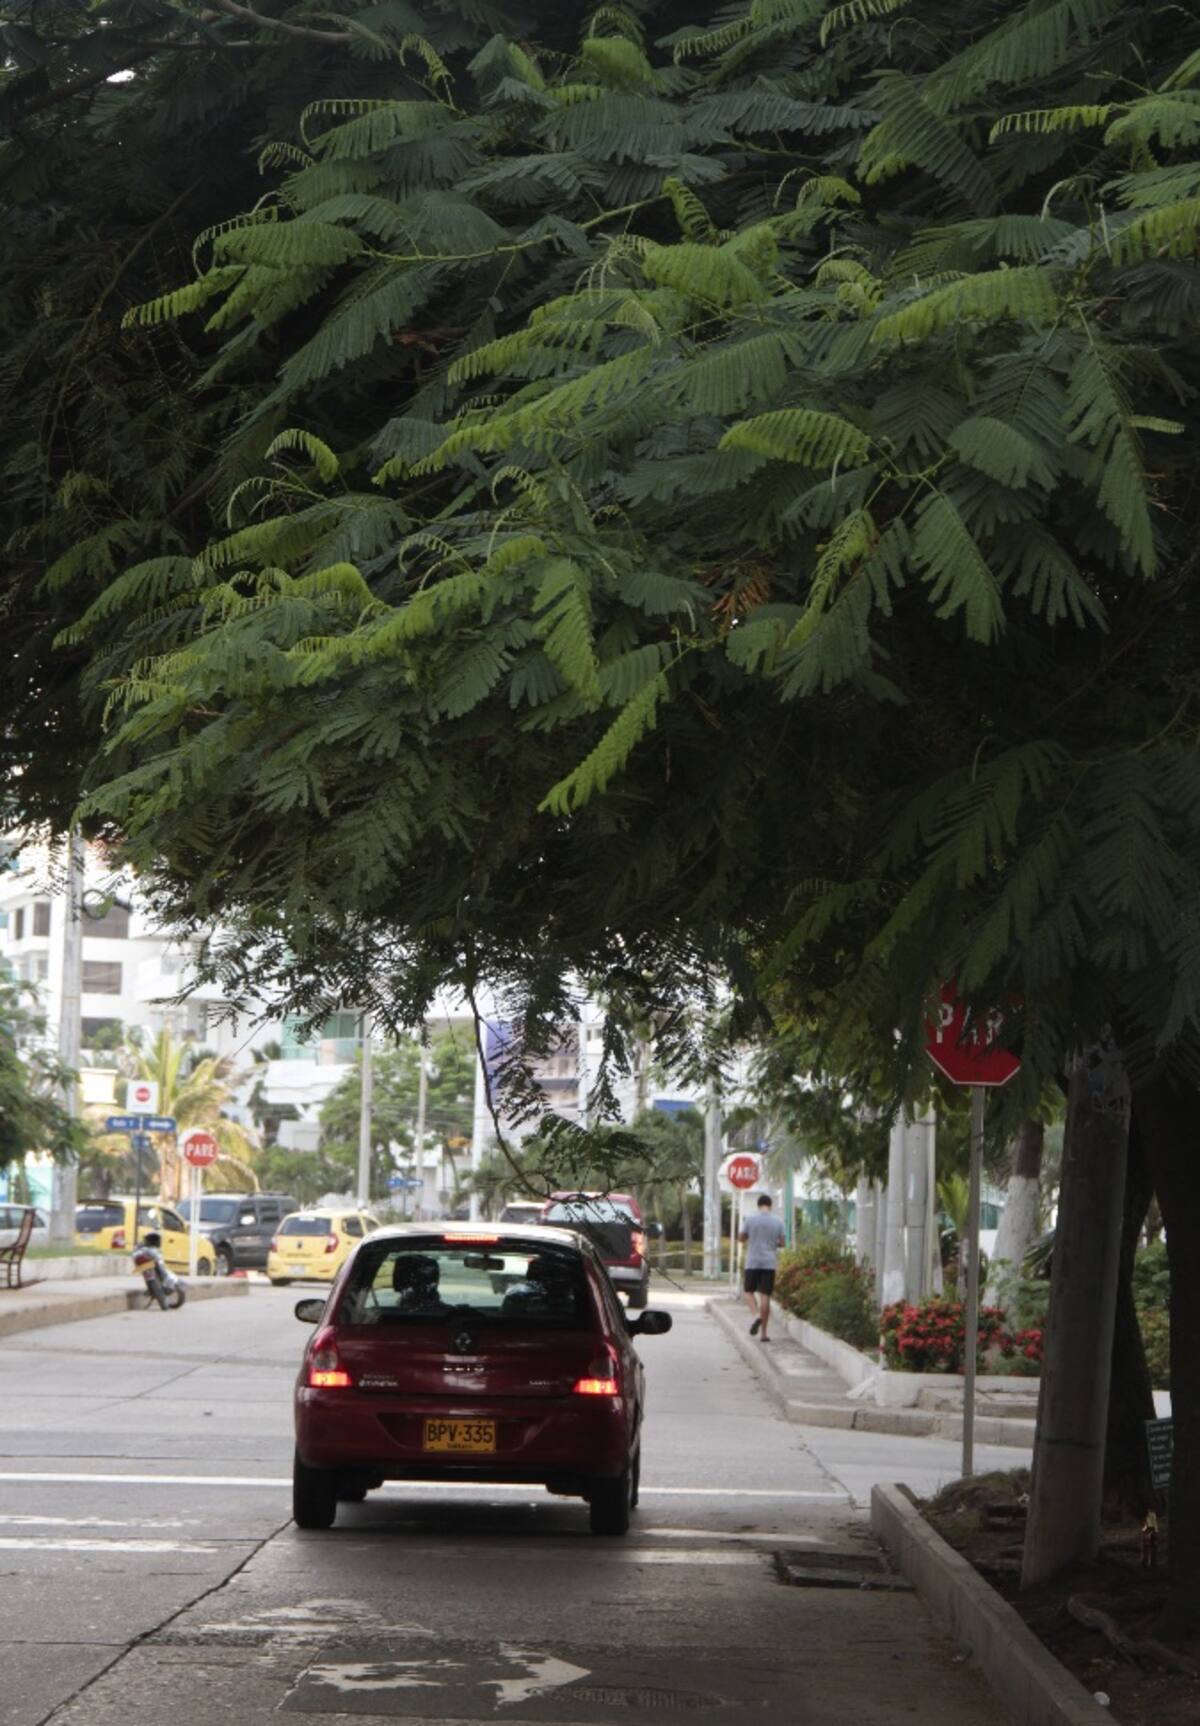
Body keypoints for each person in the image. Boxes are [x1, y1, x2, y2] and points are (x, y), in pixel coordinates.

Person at [740, 1193, 786, 1341]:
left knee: (748, 1291)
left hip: (753, 1262)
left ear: (758, 1205)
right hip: (769, 1263)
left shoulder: (751, 1219)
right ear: (770, 1206)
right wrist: (773, 1243)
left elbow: (741, 1237)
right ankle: (764, 1334)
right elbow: (783, 1243)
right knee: (765, 1296)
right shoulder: (778, 1221)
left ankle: (756, 1315)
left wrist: (751, 1238)